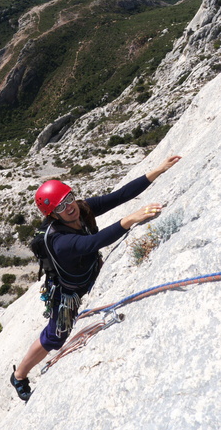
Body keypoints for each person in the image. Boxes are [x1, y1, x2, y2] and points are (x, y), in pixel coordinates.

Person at [10, 155, 181, 401]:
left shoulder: (81, 210)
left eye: (69, 198)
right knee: (55, 336)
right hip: (70, 290)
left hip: (91, 272)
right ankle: (19, 375)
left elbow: (118, 196)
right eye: (60, 206)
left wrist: (158, 170)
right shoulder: (60, 241)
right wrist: (131, 218)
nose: (69, 206)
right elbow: (94, 242)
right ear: (53, 214)